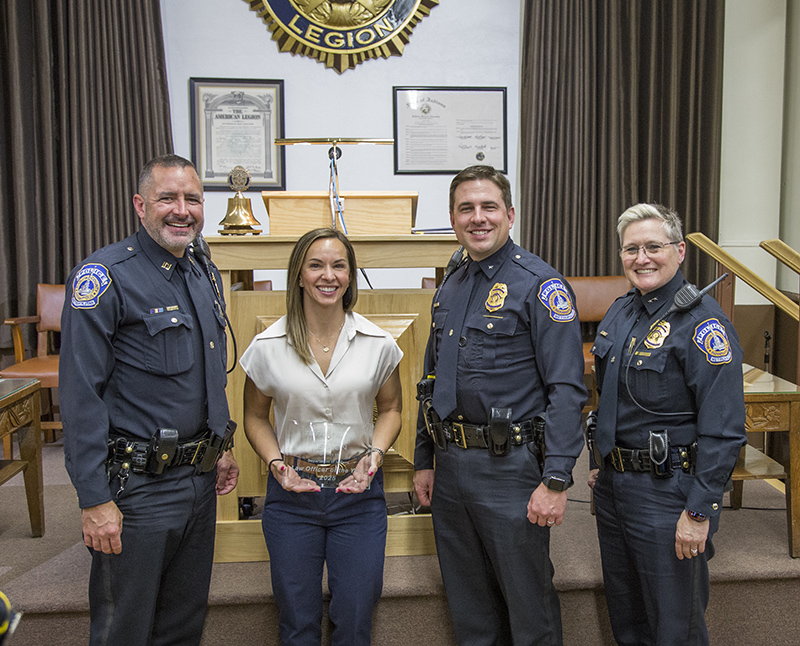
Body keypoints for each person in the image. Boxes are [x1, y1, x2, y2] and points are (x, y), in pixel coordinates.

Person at [60, 154, 239, 646]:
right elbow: (80, 397)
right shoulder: (104, 277)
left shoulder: (201, 270)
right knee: (126, 630)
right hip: (137, 491)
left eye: (192, 199)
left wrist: (220, 446)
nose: (181, 210)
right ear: (140, 205)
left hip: (198, 484)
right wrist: (94, 499)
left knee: (183, 624)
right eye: (167, 198)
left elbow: (207, 374)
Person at [413, 165, 587, 645]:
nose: (478, 218)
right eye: (466, 208)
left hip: (510, 468)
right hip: (450, 469)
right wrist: (425, 458)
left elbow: (567, 390)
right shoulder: (450, 282)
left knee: (528, 609)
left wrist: (556, 478)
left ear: (510, 215)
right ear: (453, 218)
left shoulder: (540, 284)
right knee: (470, 611)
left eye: (489, 207)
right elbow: (432, 378)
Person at [588, 203, 746, 645]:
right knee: (629, 617)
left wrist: (699, 511)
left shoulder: (702, 324)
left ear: (679, 252)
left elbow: (725, 429)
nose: (642, 258)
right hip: (617, 489)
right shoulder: (622, 312)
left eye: (653, 247)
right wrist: (602, 460)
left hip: (670, 492)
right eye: (631, 249)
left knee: (675, 626)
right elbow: (611, 399)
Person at [240, 227, 403, 646]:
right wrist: (276, 464)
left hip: (359, 494)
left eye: (338, 265)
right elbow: (255, 418)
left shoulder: (379, 343)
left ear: (350, 275)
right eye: (315, 265)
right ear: (298, 275)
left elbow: (392, 409)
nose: (327, 275)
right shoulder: (267, 345)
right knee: (297, 622)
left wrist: (376, 454)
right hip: (292, 496)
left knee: (354, 618)